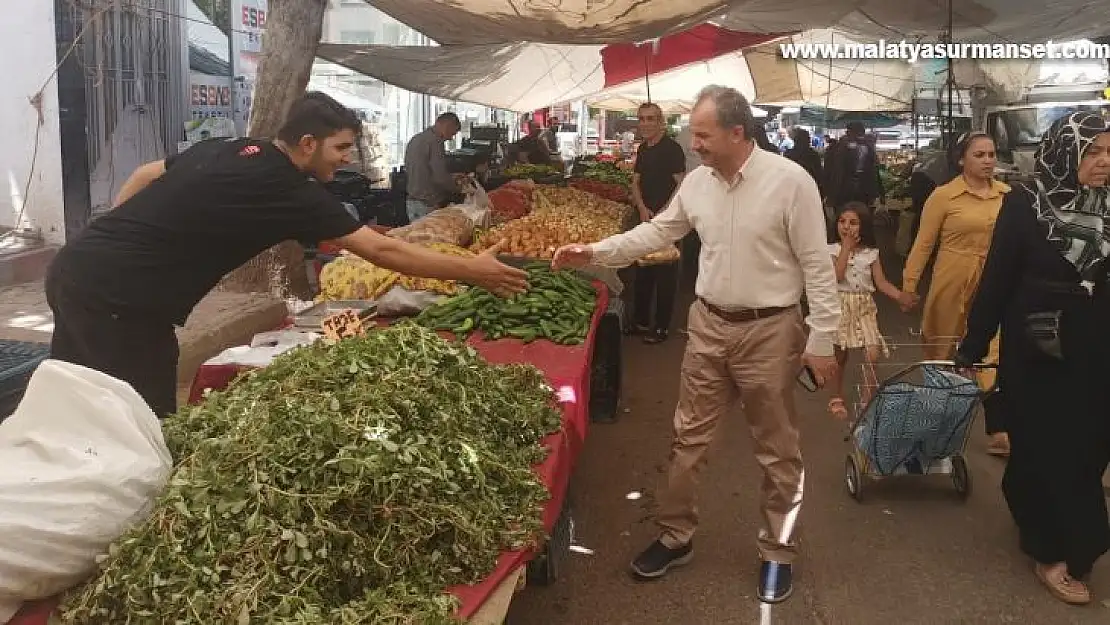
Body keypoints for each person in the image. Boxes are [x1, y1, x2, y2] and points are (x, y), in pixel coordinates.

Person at [44, 92, 527, 419]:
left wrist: (111, 233)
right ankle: (130, 533)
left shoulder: (234, 148)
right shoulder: (291, 189)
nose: (346, 159)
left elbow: (149, 173)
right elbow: (380, 250)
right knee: (140, 417)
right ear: (307, 143)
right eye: (340, 148)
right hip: (118, 300)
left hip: (78, 269)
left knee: (77, 398)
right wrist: (474, 269)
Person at [550, 85, 839, 603]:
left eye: (702, 135)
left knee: (778, 449)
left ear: (737, 131)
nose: (695, 145)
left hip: (770, 330)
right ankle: (675, 534)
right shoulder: (700, 185)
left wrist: (822, 337)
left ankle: (778, 548)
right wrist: (593, 251)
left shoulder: (790, 182)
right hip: (707, 325)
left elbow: (818, 265)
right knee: (687, 442)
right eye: (693, 135)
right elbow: (657, 232)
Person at [955, 111, 1110, 605]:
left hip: (1097, 350)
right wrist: (973, 346)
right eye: (1093, 151)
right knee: (1047, 449)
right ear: (1066, 153)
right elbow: (997, 280)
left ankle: (1056, 525)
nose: (1104, 161)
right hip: (1038, 350)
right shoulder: (1025, 205)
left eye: (1109, 151)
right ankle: (1054, 550)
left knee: (1089, 450)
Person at [901, 132, 1010, 455]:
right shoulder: (944, 196)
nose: (988, 161)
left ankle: (999, 429)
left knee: (994, 353)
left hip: (993, 280)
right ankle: (935, 421)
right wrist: (910, 284)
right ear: (961, 159)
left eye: (991, 154)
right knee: (941, 346)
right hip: (952, 276)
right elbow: (923, 244)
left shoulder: (1008, 195)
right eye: (980, 155)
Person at [825, 202, 915, 418]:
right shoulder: (832, 250)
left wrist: (900, 296)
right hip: (842, 305)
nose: (847, 227)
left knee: (872, 353)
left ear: (863, 226)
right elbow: (836, 276)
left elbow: (881, 282)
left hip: (864, 306)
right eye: (842, 221)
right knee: (840, 354)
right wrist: (846, 248)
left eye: (853, 223)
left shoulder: (871, 254)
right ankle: (835, 396)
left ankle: (867, 398)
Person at [629, 102, 686, 343]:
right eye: (642, 119)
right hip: (646, 217)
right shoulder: (643, 149)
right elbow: (635, 182)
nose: (645, 124)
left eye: (651, 119)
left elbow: (682, 183)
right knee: (643, 271)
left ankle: (661, 327)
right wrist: (641, 207)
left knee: (665, 274)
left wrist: (665, 211)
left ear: (661, 121)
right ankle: (641, 321)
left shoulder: (672, 149)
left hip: (667, 221)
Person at [404, 112, 462, 222]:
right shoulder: (435, 142)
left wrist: (451, 176)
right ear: (447, 126)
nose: (450, 138)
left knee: (416, 237)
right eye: (452, 134)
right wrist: (460, 189)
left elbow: (419, 170)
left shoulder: (415, 139)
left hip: (411, 202)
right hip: (428, 205)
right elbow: (439, 178)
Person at [824, 121, 882, 208]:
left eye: (848, 131)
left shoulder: (867, 147)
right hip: (851, 190)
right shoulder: (841, 147)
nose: (846, 133)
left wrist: (873, 193)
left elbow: (873, 170)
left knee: (856, 213)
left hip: (855, 190)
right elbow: (833, 171)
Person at [784, 128, 824, 197]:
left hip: (793, 189)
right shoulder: (813, 155)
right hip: (810, 188)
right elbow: (819, 174)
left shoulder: (788, 154)